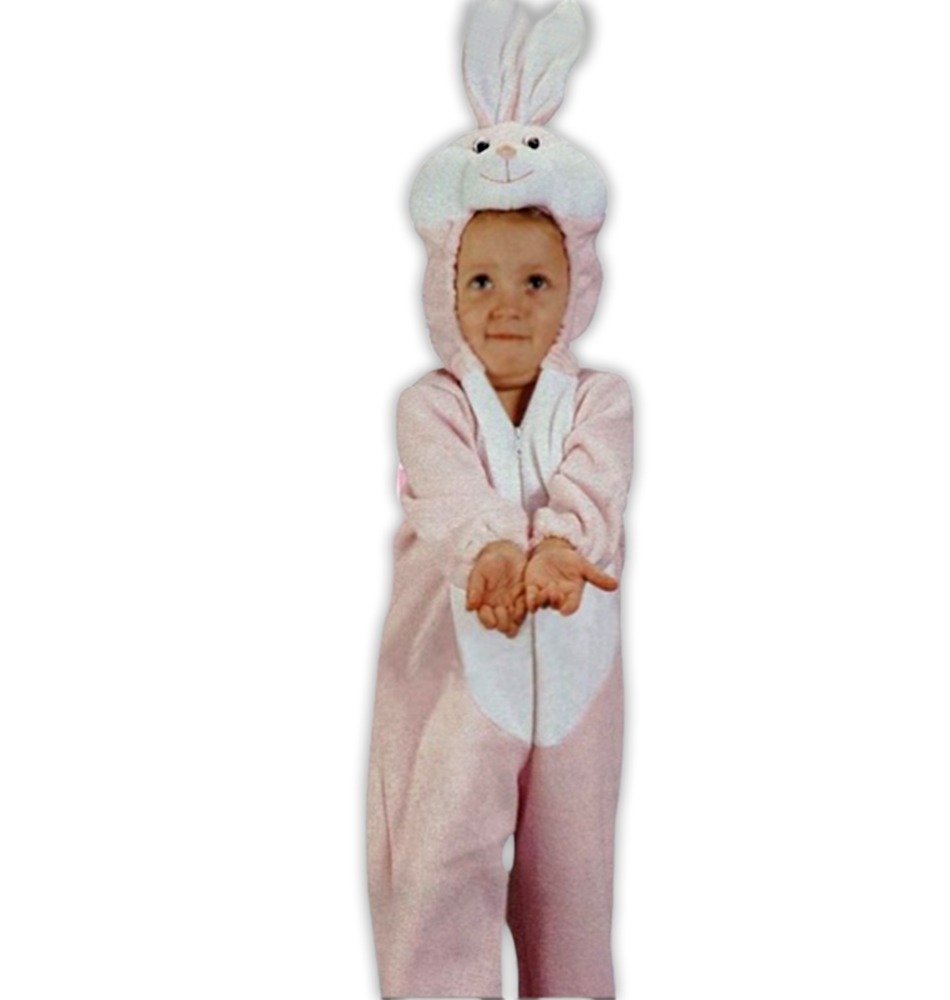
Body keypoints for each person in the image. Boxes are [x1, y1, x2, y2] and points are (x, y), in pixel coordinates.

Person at [366, 2, 632, 997]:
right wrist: (491, 555)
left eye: (534, 282)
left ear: (574, 292)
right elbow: (449, 498)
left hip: (573, 676)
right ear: (445, 288)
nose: (507, 306)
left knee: (573, 884)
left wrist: (559, 550)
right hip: (451, 677)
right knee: (439, 866)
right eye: (479, 281)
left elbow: (594, 488)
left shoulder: (599, 402)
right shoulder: (431, 407)